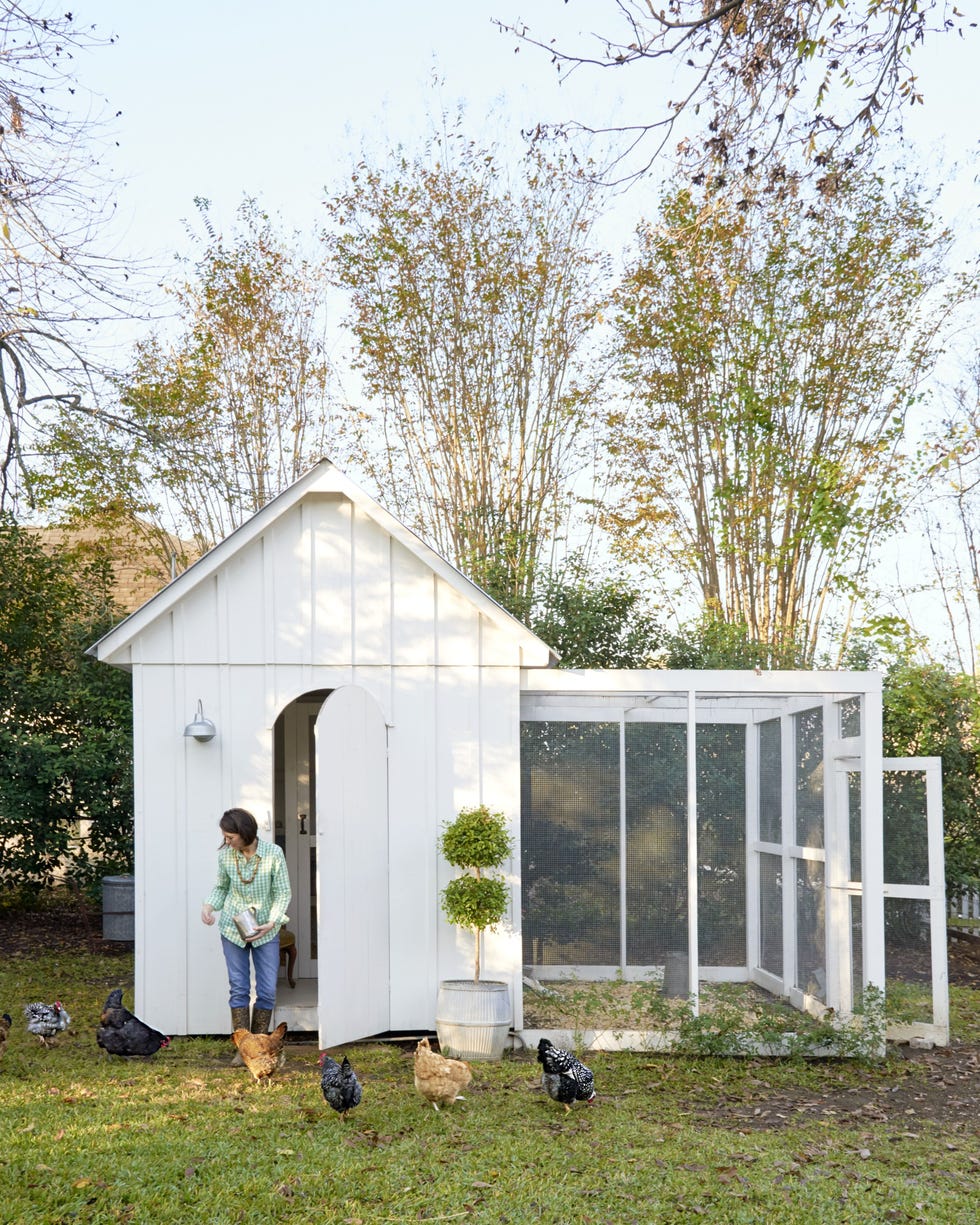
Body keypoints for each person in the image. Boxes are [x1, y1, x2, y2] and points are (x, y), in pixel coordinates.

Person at [201, 807, 292, 1050]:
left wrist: (273, 921)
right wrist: (209, 906)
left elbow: (283, 892)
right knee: (239, 988)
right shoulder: (226, 856)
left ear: (245, 832)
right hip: (233, 930)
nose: (227, 842)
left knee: (266, 991)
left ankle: (259, 1046)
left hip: (266, 931)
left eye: (230, 837)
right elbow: (221, 887)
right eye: (225, 837)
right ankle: (244, 1049)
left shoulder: (273, 854)